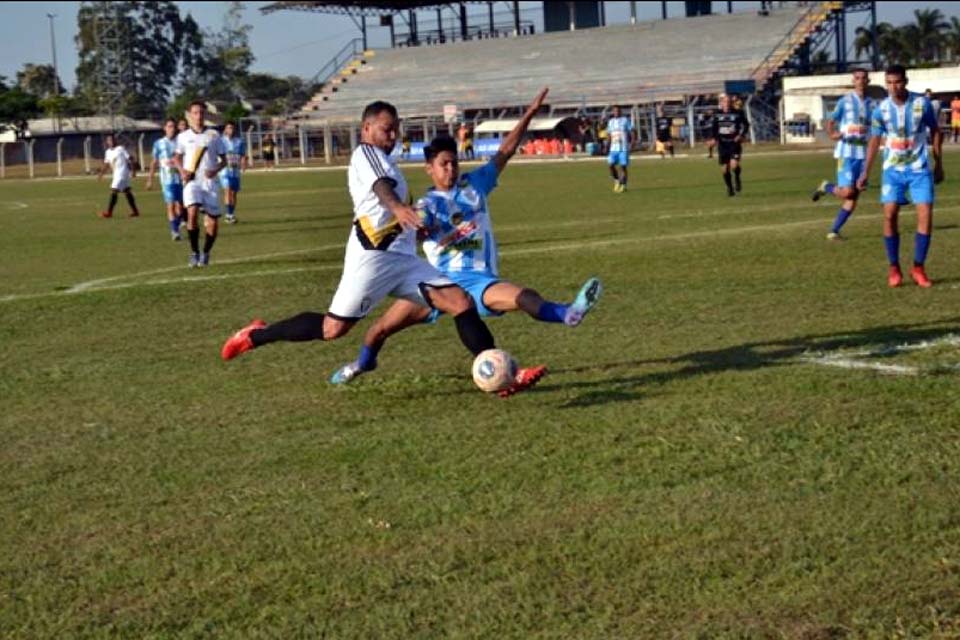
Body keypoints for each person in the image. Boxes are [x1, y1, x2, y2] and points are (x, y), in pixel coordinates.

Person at [220, 100, 545, 396]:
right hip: (372, 258)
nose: (392, 136)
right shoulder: (366, 154)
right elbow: (381, 189)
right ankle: (255, 335)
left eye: (395, 131)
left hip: (402, 258)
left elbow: (390, 195)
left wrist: (416, 224)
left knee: (459, 301)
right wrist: (398, 208)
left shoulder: (386, 161)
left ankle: (500, 373)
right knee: (333, 329)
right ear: (367, 129)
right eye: (386, 129)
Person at [330, 88, 600, 391]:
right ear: (429, 168)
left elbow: (506, 151)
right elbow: (410, 227)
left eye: (454, 162)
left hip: (477, 281)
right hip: (435, 283)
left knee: (525, 296)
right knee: (379, 330)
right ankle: (361, 364)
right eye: (443, 164)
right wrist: (419, 227)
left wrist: (530, 113)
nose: (450, 169)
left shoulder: (475, 185)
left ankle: (568, 313)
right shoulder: (426, 204)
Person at [858, 64, 944, 288]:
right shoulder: (881, 110)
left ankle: (918, 267)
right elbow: (875, 140)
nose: (893, 87)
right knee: (889, 215)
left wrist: (938, 163)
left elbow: (935, 131)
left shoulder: (921, 104)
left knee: (925, 214)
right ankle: (894, 267)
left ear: (905, 82)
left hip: (919, 168)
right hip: (893, 170)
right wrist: (865, 172)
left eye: (897, 82)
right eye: (889, 83)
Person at [810, 68, 875, 240]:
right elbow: (831, 121)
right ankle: (827, 187)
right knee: (847, 192)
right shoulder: (845, 101)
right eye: (857, 78)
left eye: (863, 78)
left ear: (868, 81)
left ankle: (834, 231)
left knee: (854, 196)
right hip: (846, 152)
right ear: (853, 81)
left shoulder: (871, 104)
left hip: (863, 154)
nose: (860, 81)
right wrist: (832, 134)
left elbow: (874, 127)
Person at [173, 100, 227, 268]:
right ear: (189, 116)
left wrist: (215, 170)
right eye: (195, 113)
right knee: (192, 213)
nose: (199, 116)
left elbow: (224, 160)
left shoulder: (213, 135)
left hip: (209, 183)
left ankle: (206, 252)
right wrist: (182, 172)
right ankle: (194, 253)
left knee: (212, 223)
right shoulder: (183, 137)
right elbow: (176, 158)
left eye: (201, 113)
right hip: (192, 182)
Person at [146, 118, 184, 240]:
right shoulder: (158, 143)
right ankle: (175, 232)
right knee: (170, 205)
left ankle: (176, 225)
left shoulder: (180, 142)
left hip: (181, 178)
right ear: (165, 128)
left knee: (181, 207)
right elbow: (154, 162)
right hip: (167, 180)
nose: (172, 129)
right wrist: (150, 179)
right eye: (169, 126)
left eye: (173, 126)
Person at [708, 94, 749, 196]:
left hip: (734, 143)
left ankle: (737, 178)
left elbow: (746, 125)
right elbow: (714, 129)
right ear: (721, 103)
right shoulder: (717, 114)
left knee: (734, 166)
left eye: (729, 102)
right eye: (725, 102)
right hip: (723, 144)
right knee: (724, 169)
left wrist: (741, 135)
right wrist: (714, 139)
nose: (727, 104)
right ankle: (730, 188)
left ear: (731, 103)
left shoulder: (738, 113)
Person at [96, 134, 141, 219]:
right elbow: (106, 164)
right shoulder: (108, 152)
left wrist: (134, 171)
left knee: (114, 190)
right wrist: (101, 174)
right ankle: (135, 211)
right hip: (116, 174)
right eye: (109, 140)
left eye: (112, 140)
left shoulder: (120, 149)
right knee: (127, 191)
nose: (111, 141)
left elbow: (131, 159)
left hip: (123, 173)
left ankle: (109, 213)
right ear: (107, 142)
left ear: (115, 140)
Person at [219, 121, 247, 225]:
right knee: (228, 191)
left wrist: (243, 162)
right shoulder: (221, 141)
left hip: (235, 171)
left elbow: (243, 154)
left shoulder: (239, 141)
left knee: (234, 193)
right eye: (229, 128)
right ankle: (229, 215)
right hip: (224, 171)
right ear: (225, 130)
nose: (231, 130)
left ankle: (230, 214)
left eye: (232, 128)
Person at [606, 105, 632, 192]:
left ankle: (623, 185)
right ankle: (617, 181)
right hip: (613, 148)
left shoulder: (625, 120)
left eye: (618, 111)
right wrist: (607, 146)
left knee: (623, 167)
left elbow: (632, 131)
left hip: (623, 148)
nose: (616, 112)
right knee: (610, 165)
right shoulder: (610, 122)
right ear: (613, 112)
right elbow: (609, 135)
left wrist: (633, 143)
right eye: (615, 111)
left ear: (621, 112)